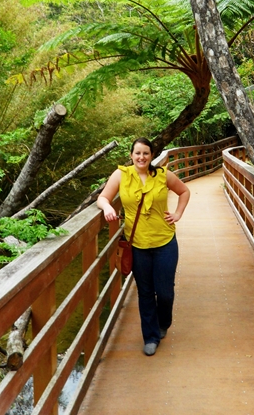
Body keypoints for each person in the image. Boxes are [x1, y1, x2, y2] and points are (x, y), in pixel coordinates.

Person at [97, 137, 190, 356]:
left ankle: (163, 322)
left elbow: (184, 191)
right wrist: (107, 208)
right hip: (137, 244)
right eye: (137, 153)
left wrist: (177, 214)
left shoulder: (162, 175)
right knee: (146, 292)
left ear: (151, 156)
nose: (141, 157)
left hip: (165, 241)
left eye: (146, 153)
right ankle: (150, 337)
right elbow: (102, 197)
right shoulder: (121, 175)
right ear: (131, 155)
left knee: (165, 292)